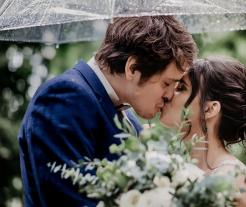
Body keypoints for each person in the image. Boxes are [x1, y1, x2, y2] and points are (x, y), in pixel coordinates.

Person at [18, 16, 197, 207]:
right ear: (133, 68)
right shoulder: (65, 97)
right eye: (167, 83)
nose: (170, 95)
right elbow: (68, 198)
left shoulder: (129, 119)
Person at [160, 57, 246, 207]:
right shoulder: (181, 168)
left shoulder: (228, 180)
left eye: (181, 88)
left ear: (209, 109)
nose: (167, 94)